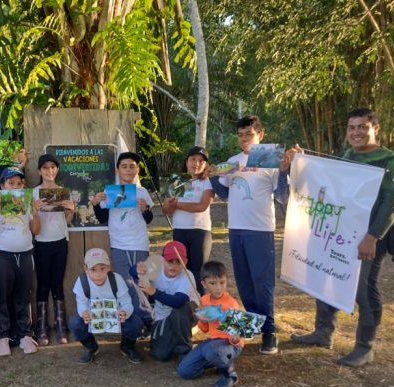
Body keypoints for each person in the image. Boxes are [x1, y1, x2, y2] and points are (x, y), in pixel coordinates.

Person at [291, 108, 394, 368]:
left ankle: (365, 348)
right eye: (352, 127)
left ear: (375, 128)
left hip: (371, 236)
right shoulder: (345, 156)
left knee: (364, 289)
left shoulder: (391, 160)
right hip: (340, 232)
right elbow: (328, 184)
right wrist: (302, 162)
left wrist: (372, 236)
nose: (356, 132)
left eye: (363, 127)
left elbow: (393, 201)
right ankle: (323, 333)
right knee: (323, 277)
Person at [210, 115, 292, 355]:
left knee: (262, 282)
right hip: (236, 229)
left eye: (250, 134)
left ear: (261, 135)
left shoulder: (271, 160)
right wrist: (214, 176)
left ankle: (270, 331)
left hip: (260, 230)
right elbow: (225, 193)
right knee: (244, 280)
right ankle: (253, 323)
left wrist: (285, 172)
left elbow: (282, 196)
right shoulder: (232, 161)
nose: (245, 139)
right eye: (241, 135)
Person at [0, 167, 41, 356]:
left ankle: (25, 335)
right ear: (2, 185)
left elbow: (36, 231)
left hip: (25, 254)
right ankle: (2, 337)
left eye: (19, 183)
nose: (15, 186)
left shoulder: (27, 202)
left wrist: (36, 212)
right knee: (2, 296)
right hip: (3, 255)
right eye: (10, 183)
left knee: (24, 295)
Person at [92, 151, 155, 327]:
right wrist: (96, 203)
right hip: (119, 245)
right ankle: (137, 319)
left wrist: (145, 209)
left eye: (132, 166)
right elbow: (102, 217)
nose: (128, 170)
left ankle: (144, 319)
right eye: (124, 166)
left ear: (138, 169)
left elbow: (149, 220)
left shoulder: (142, 192)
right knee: (126, 282)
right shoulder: (109, 191)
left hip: (140, 244)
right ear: (117, 169)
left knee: (142, 281)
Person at [68, 248, 144, 364]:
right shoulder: (82, 281)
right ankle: (90, 346)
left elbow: (126, 301)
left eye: (102, 268)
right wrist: (84, 313)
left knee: (136, 322)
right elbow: (81, 303)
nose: (98, 274)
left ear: (109, 267)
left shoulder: (116, 279)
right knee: (75, 323)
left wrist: (124, 311)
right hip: (93, 318)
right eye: (93, 269)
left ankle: (127, 346)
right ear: (86, 269)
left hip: (116, 317)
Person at [177, 261, 244, 387]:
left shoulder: (231, 304)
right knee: (184, 371)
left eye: (222, 282)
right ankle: (217, 361)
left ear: (226, 281)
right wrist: (201, 319)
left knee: (210, 349)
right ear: (204, 283)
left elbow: (238, 337)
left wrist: (233, 335)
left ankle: (229, 375)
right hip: (212, 343)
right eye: (213, 283)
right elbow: (205, 328)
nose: (218, 288)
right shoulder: (204, 300)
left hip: (231, 344)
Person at [33, 154, 75, 346]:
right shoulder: (32, 193)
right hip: (40, 243)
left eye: (52, 167)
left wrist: (71, 210)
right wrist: (34, 209)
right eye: (45, 168)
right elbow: (28, 223)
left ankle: (61, 327)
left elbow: (65, 221)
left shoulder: (63, 192)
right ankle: (41, 328)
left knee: (57, 284)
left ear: (57, 170)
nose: (49, 171)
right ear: (39, 171)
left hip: (60, 242)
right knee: (43, 284)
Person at [162, 146, 215, 294]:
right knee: (179, 269)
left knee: (199, 272)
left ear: (205, 165)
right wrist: (168, 205)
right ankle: (183, 304)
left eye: (201, 161)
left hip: (200, 232)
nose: (196, 164)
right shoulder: (175, 181)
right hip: (179, 231)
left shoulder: (208, 182)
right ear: (186, 161)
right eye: (193, 159)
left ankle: (200, 307)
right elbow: (166, 211)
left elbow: (201, 206)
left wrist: (176, 204)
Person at [136, 241, 199, 361]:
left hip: (187, 314)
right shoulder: (156, 269)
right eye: (170, 261)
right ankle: (173, 337)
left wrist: (153, 292)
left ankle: (184, 350)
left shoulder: (188, 275)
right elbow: (133, 272)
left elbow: (178, 301)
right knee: (161, 355)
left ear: (185, 263)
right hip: (163, 316)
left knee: (180, 308)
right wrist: (140, 270)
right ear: (163, 261)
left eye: (178, 262)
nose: (173, 266)